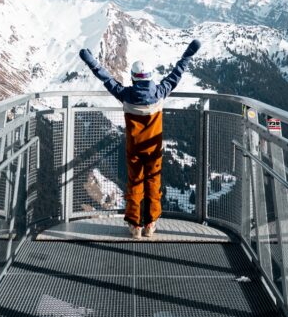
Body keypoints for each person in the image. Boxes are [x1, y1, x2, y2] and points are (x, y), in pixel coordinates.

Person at [79, 39, 201, 239]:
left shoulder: (125, 95)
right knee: (153, 184)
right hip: (154, 151)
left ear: (134, 78)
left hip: (134, 150)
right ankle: (150, 224)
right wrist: (188, 54)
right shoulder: (160, 93)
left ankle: (135, 226)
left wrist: (91, 61)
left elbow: (106, 79)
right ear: (151, 77)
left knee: (134, 185)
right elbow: (177, 73)